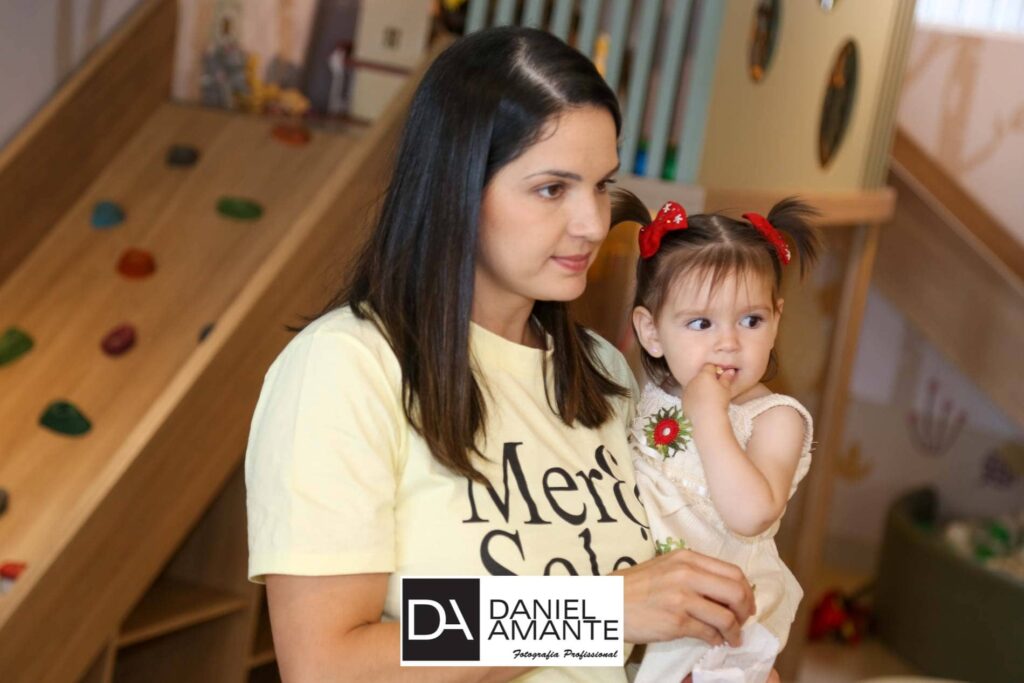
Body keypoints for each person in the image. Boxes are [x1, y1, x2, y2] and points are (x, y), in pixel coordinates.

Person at [245, 26, 758, 682]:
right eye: (552, 189)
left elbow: (630, 632)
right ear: (457, 187)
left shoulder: (603, 372)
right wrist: (594, 612)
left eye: (601, 185)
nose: (592, 223)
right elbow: (326, 664)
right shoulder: (345, 368)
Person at [611, 196, 820, 682]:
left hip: (713, 620)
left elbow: (752, 515)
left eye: (751, 320)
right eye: (701, 323)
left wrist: (710, 417)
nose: (729, 342)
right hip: (634, 594)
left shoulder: (775, 418)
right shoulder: (648, 393)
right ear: (651, 331)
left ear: (777, 320)